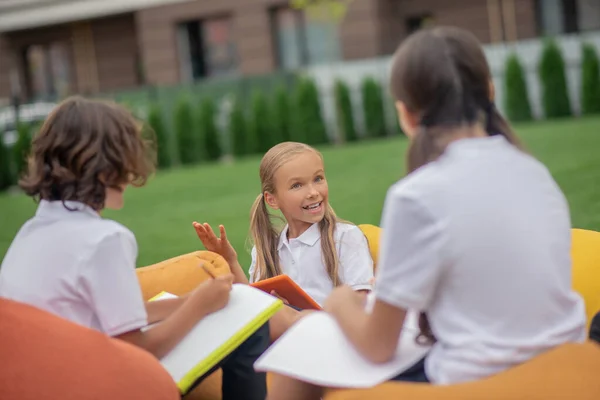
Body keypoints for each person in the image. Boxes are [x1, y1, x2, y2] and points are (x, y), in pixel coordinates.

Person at [266, 26, 587, 400]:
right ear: (490, 91)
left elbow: (377, 345)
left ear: (407, 114)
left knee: (305, 350)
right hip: (567, 362)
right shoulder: (535, 173)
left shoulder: (417, 196)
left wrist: (339, 302)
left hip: (482, 380)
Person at [0, 96, 268, 400]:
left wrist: (191, 299)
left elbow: (110, 317)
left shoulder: (29, 234)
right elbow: (136, 350)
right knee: (250, 325)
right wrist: (199, 305)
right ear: (104, 169)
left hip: (36, 382)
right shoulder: (104, 239)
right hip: (90, 385)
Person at [194, 141, 374, 339]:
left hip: (334, 336)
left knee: (273, 318)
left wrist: (293, 315)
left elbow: (362, 303)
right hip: (288, 341)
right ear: (272, 200)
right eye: (297, 185)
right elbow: (251, 305)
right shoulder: (267, 250)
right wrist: (230, 261)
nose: (313, 191)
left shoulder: (345, 238)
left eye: (318, 178)